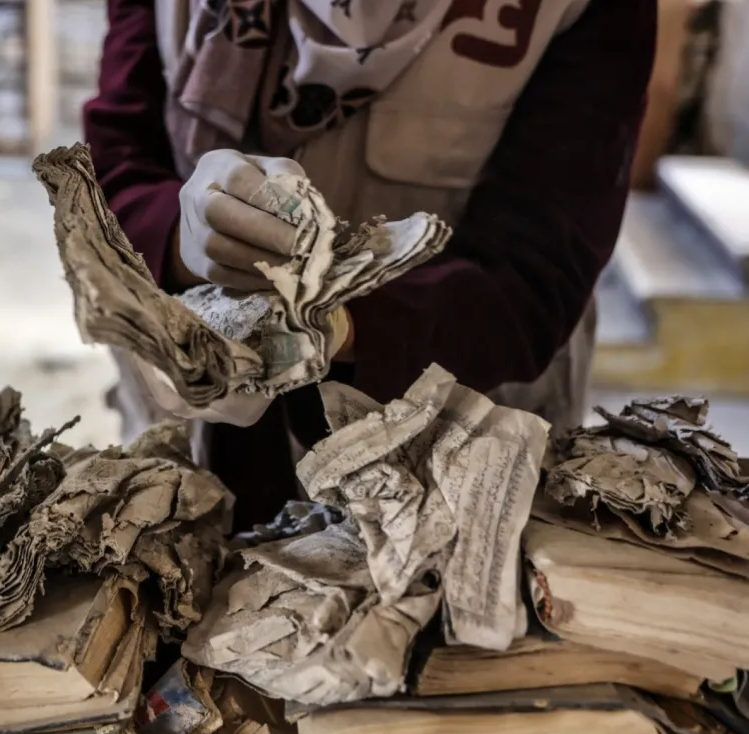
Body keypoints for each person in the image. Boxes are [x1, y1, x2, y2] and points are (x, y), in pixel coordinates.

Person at [83, 0, 656, 530]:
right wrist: (177, 232)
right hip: (194, 427)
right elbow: (114, 163)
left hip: (450, 432)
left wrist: (333, 325)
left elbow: (538, 267)